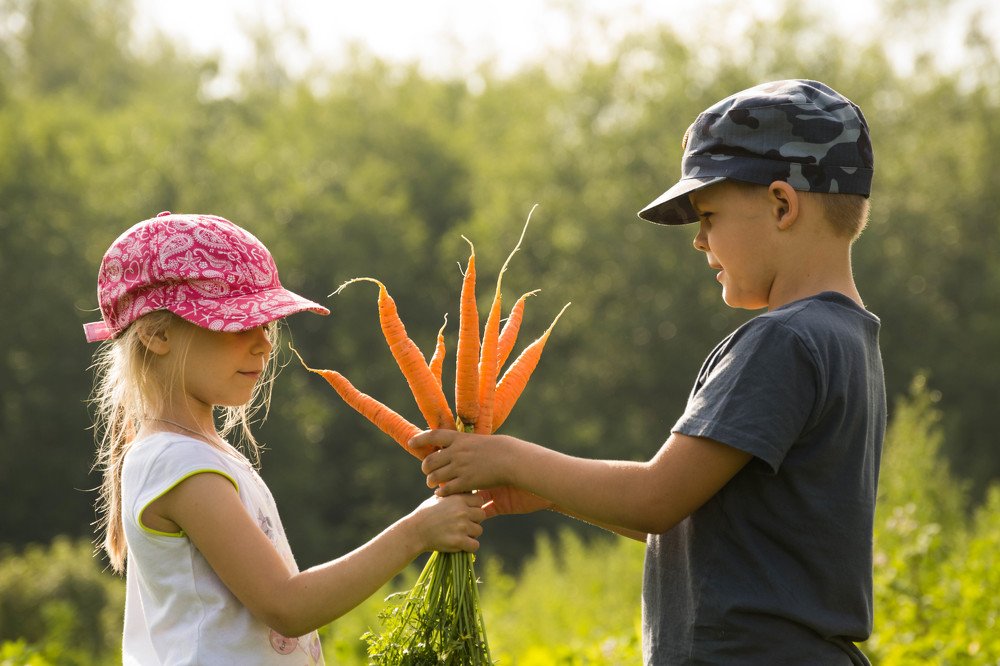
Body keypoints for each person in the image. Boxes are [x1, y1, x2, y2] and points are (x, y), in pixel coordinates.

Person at [415, 79, 886, 665]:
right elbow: (696, 517)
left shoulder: (782, 340)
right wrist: (550, 491)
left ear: (782, 205)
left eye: (708, 215)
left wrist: (509, 457)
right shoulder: (845, 338)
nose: (699, 241)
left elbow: (657, 498)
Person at [85, 212, 486, 664]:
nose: (264, 344)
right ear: (157, 335)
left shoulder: (198, 455)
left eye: (266, 324)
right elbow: (287, 606)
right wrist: (416, 532)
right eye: (239, 325)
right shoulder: (176, 463)